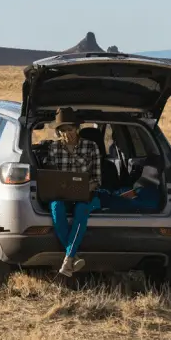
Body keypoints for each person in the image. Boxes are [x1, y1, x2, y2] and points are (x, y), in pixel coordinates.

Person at [43, 107, 102, 277]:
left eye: (69, 129)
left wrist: (83, 189)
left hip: (87, 193)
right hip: (62, 195)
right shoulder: (54, 148)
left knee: (81, 210)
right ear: (58, 132)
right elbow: (52, 177)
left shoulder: (91, 147)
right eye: (62, 130)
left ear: (77, 128)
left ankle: (68, 258)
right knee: (56, 208)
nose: (66, 133)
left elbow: (97, 179)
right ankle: (72, 257)